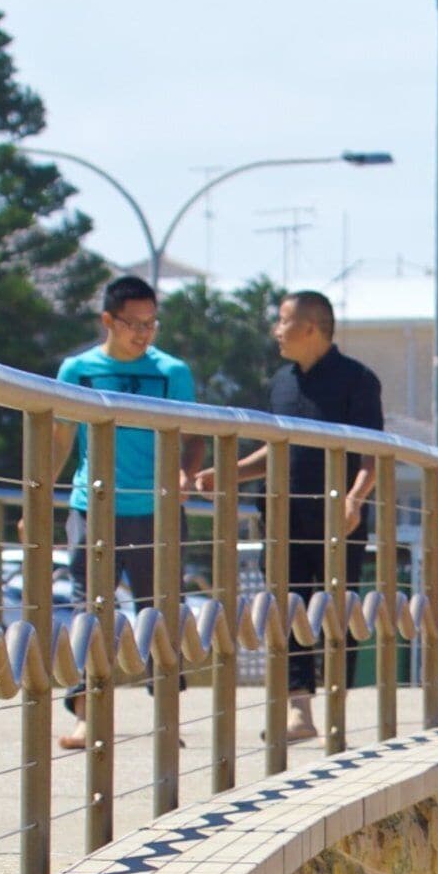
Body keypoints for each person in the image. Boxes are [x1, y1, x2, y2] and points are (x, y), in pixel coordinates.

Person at [202, 289, 381, 742]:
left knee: (337, 611)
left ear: (312, 328)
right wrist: (231, 474)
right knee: (287, 608)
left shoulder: (357, 380)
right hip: (282, 516)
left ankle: (337, 704)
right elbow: (277, 448)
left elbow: (373, 453)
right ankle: (299, 711)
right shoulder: (282, 382)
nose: (276, 330)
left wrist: (355, 500)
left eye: (283, 321)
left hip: (338, 516)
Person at [55, 275, 194, 749]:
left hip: (156, 509)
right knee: (87, 608)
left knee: (160, 612)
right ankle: (87, 712)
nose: (143, 333)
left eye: (151, 323)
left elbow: (194, 433)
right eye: (133, 323)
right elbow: (59, 437)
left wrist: (185, 476)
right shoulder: (77, 370)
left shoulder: (173, 372)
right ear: (108, 321)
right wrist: (37, 498)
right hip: (91, 506)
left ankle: (167, 718)